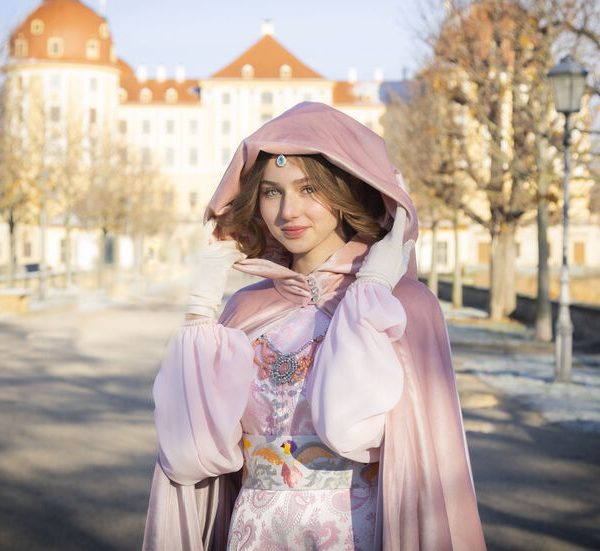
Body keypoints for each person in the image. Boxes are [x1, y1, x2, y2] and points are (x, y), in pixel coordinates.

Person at [142, 102, 485, 551]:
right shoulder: (244, 310)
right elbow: (191, 452)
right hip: (254, 535)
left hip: (357, 535)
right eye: (271, 191)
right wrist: (200, 312)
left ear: (346, 193)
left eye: (308, 188)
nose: (289, 211)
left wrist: (371, 291)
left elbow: (353, 431)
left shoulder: (403, 305)